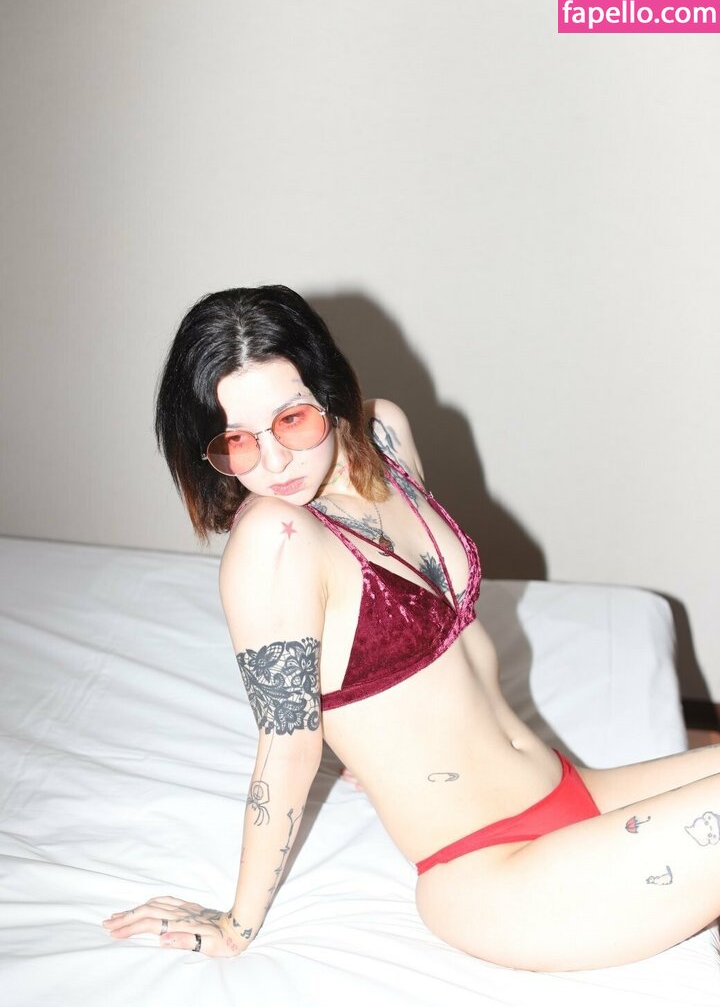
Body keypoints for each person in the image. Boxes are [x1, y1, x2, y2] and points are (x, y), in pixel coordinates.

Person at [102, 284, 720, 970]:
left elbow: (406, 665)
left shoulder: (386, 436)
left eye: (293, 420)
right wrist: (235, 925)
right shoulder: (274, 538)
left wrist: (379, 744)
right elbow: (287, 745)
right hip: (493, 872)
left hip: (570, 787)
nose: (273, 463)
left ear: (330, 392)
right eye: (237, 442)